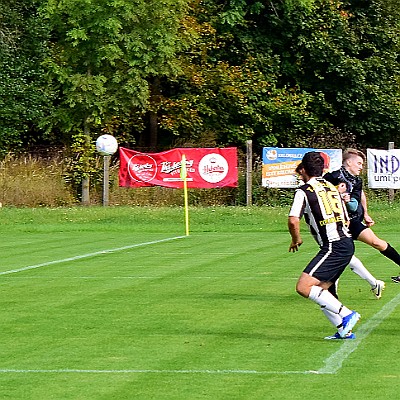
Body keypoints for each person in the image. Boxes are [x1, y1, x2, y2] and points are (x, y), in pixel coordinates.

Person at [288, 151, 360, 340]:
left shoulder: (303, 191)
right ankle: (343, 330)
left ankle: (346, 314)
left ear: (303, 169)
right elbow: (345, 217)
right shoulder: (330, 186)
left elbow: (293, 220)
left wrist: (296, 239)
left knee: (303, 287)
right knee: (321, 290)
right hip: (346, 242)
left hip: (333, 246)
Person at [324, 148, 400, 283]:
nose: (361, 167)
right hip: (335, 222)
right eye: (359, 163)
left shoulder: (357, 181)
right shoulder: (331, 177)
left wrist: (365, 213)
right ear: (348, 163)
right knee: (339, 254)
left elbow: (355, 202)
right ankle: (326, 284)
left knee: (377, 243)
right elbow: (321, 196)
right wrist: (337, 195)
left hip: (352, 221)